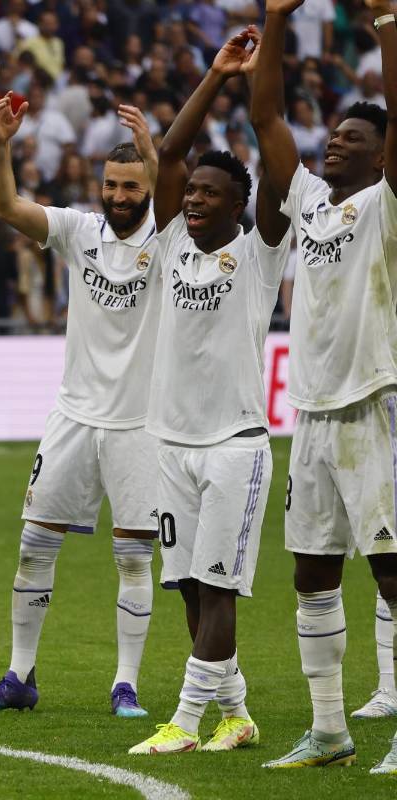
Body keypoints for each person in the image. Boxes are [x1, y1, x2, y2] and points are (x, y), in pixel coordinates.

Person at [0, 97, 161, 717]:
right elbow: (6, 207)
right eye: (111, 184)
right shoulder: (80, 231)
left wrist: (156, 151)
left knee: (133, 556)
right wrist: (1, 144)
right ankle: (19, 676)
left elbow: (176, 192)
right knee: (33, 546)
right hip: (73, 417)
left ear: (151, 187)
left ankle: (125, 683)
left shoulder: (173, 238)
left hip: (140, 423)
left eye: (132, 185)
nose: (119, 195)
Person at [124, 27, 288, 755]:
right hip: (170, 445)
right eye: (191, 190)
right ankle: (237, 713)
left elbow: (272, 144)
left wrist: (257, 79)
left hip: (234, 447)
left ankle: (186, 722)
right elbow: (165, 154)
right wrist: (216, 74)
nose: (192, 198)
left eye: (209, 192)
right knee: (189, 587)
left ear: (238, 205)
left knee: (218, 587)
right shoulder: (170, 248)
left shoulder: (259, 254)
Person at [252, 0, 397, 773]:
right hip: (310, 413)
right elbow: (266, 115)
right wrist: (274, 17)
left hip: (378, 401)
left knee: (394, 572)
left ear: (383, 156)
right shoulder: (309, 199)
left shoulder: (387, 205)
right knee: (312, 574)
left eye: (356, 138)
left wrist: (387, 23)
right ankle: (331, 729)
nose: (336, 142)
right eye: (335, 134)